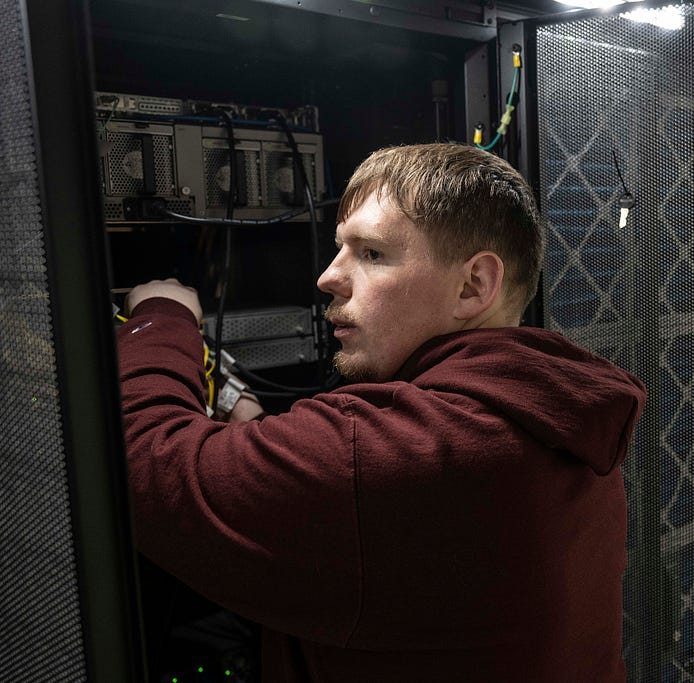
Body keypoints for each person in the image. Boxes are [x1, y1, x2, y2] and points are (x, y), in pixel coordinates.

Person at [118, 142, 646, 682]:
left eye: (371, 254)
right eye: (339, 249)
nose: (328, 276)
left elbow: (137, 463)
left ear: (473, 285)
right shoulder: (553, 417)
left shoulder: (397, 450)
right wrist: (250, 424)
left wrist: (160, 318)